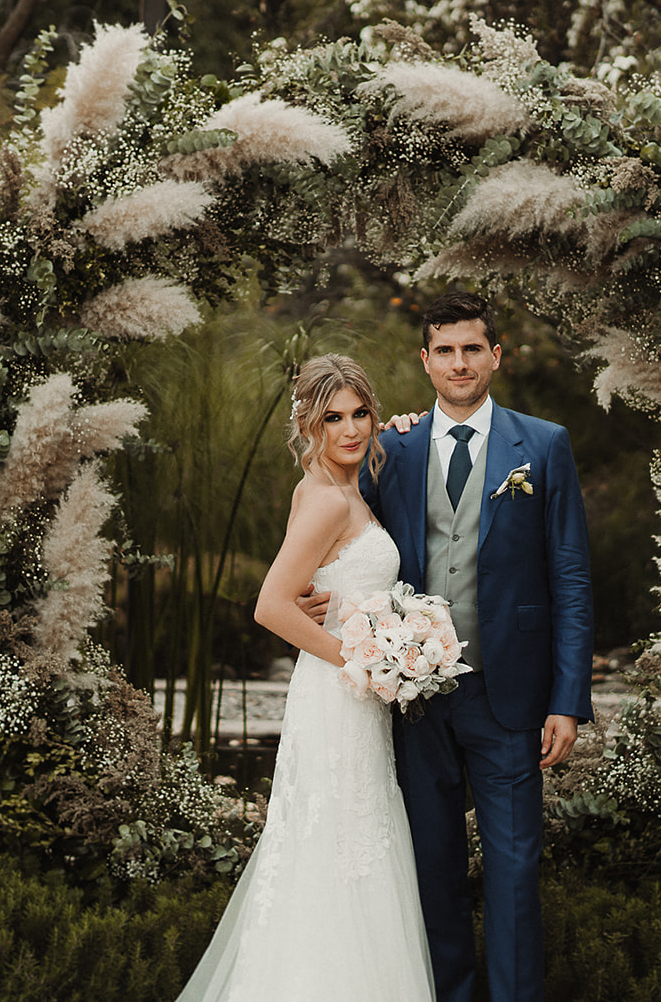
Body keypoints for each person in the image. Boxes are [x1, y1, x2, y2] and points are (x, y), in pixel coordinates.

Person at [176, 354, 434, 1002]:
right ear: (309, 424)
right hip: (340, 692)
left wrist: (383, 638)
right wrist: (365, 662)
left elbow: (315, 587)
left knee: (343, 847)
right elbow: (270, 604)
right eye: (332, 417)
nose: (350, 429)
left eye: (359, 413)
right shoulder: (324, 499)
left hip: (342, 693)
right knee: (337, 846)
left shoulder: (336, 488)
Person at [362, 291, 594, 1002]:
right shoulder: (390, 447)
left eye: (473, 349)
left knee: (516, 866)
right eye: (445, 350)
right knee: (432, 866)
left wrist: (568, 699)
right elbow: (347, 542)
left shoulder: (543, 444)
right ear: (424, 360)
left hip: (510, 693)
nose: (459, 362)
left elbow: (571, 576)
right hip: (414, 698)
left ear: (496, 356)